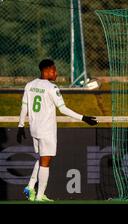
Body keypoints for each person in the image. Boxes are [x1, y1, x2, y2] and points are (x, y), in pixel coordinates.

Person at [17, 59, 98, 202]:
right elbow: (63, 109)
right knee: (45, 162)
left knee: (42, 158)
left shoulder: (29, 85)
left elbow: (24, 107)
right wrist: (83, 117)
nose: (56, 73)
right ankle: (40, 196)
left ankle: (30, 187)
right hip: (46, 130)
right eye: (54, 70)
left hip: (34, 129)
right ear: (47, 70)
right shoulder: (51, 87)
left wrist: (20, 126)